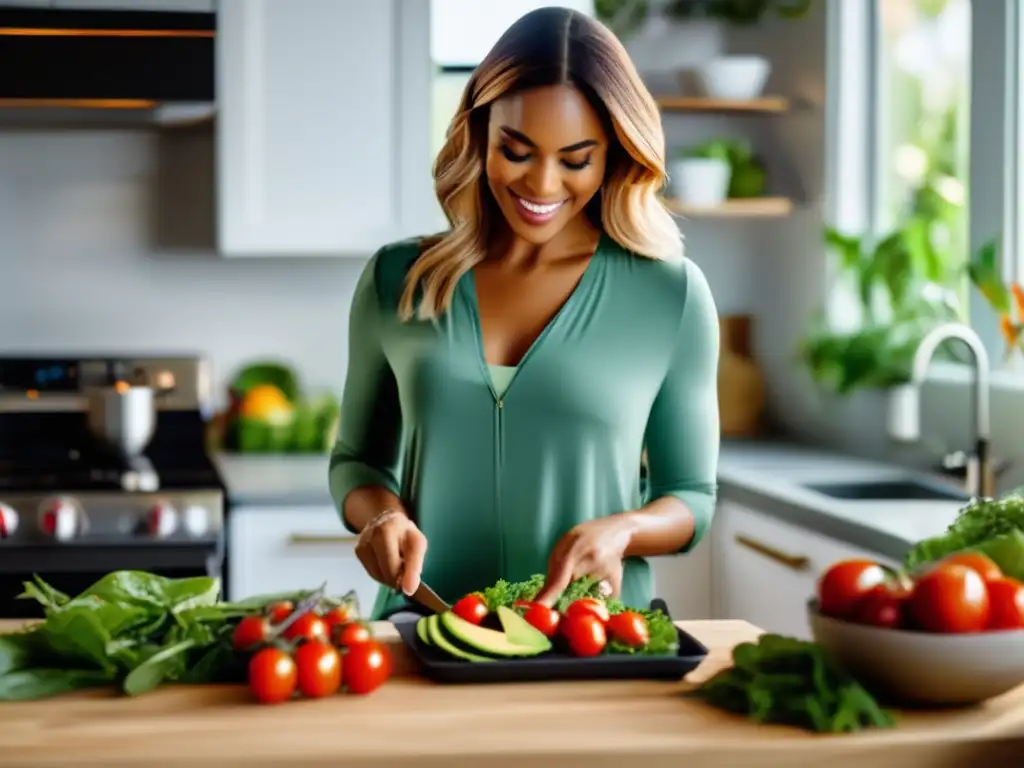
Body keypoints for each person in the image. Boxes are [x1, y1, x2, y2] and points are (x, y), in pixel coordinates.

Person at [329, 6, 720, 621]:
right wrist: (381, 515)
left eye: (574, 159)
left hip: (590, 639)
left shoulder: (671, 295)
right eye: (517, 150)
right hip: (421, 632)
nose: (541, 184)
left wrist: (626, 529)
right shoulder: (396, 280)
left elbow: (692, 498)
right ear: (479, 133)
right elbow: (357, 460)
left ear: (613, 155)